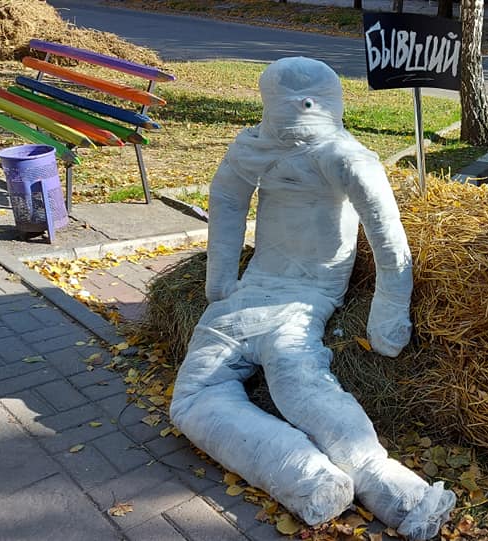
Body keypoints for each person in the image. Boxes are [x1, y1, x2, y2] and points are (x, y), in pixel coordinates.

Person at [169, 57, 455, 540]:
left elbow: (388, 236)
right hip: (251, 295)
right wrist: (221, 288)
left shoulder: (340, 156)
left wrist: (388, 314)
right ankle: (311, 477)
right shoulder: (264, 148)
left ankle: (395, 491)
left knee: (294, 381)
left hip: (302, 297)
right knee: (198, 395)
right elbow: (227, 202)